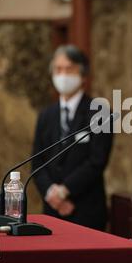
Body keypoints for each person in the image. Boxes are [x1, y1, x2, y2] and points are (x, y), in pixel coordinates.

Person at [32, 45, 113, 231]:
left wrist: (64, 191)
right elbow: (37, 162)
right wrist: (52, 194)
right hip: (52, 211)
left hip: (86, 209)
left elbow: (97, 161)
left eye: (69, 69)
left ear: (83, 74)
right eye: (58, 69)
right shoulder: (45, 115)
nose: (63, 75)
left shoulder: (100, 112)